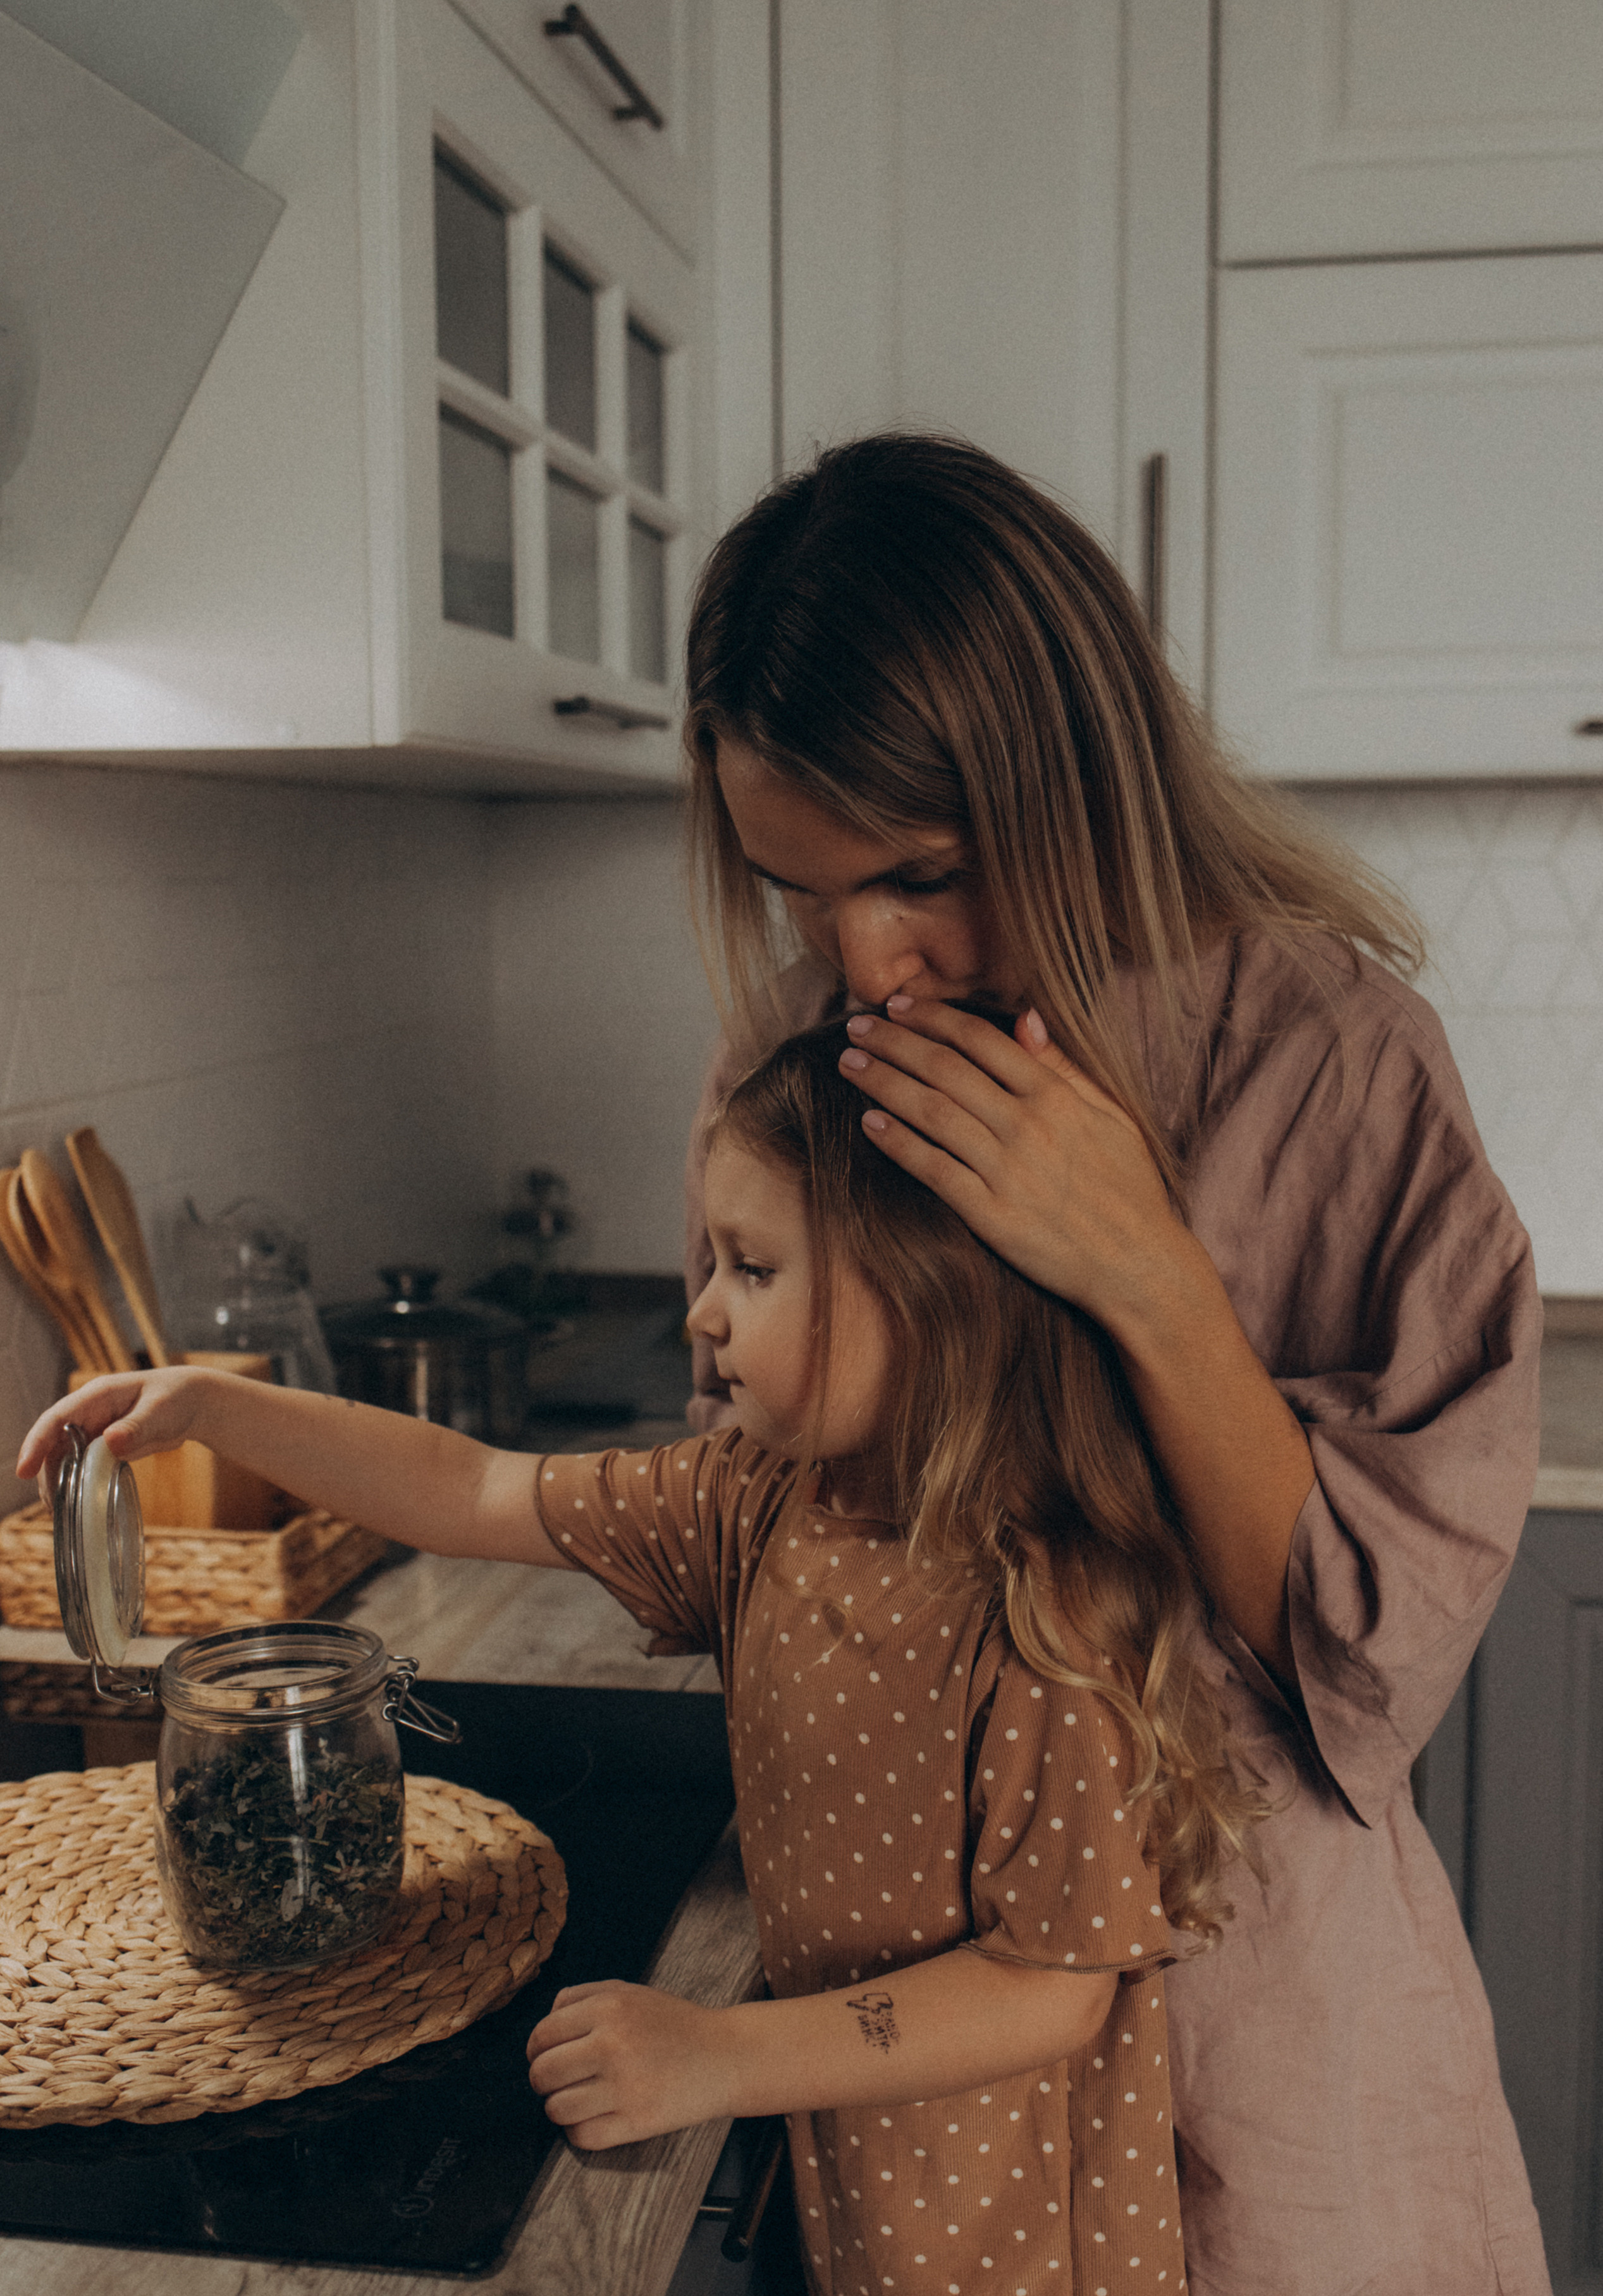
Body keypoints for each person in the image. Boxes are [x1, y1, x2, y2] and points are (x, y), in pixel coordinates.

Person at [679, 433, 1547, 2295]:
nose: (868, 966)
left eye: (918, 875)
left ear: (1076, 778)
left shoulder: (1326, 1055)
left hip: (1259, 2040)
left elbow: (1367, 1668)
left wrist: (1143, 1271)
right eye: (800, 893)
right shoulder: (805, 1065)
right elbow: (767, 1508)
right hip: (918, 2076)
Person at [18, 1015, 1260, 2296]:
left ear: (929, 1293)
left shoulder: (1043, 1611)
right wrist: (214, 1406)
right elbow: (474, 1487)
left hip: (1012, 2235)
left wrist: (718, 2056)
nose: (703, 1313)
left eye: (754, 1268)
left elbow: (1049, 1990)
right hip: (855, 2177)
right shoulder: (756, 1499)